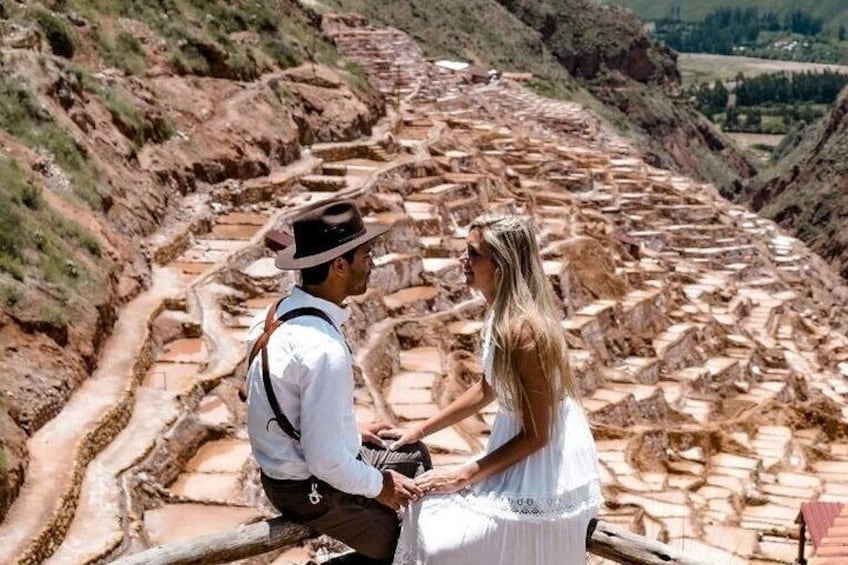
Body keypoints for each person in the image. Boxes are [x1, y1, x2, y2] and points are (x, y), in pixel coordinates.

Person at [383, 214, 603, 564]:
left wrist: (463, 474)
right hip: (518, 446)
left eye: (473, 254)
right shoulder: (499, 316)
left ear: (500, 264)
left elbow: (538, 435)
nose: (462, 261)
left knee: (439, 537)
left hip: (541, 465)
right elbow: (487, 388)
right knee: (423, 511)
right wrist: (419, 430)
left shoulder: (524, 333)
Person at [245, 199, 432, 564]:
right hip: (308, 488)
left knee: (412, 455)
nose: (372, 264)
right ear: (339, 265)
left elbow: (266, 396)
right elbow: (326, 460)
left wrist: (344, 428)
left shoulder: (273, 316)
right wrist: (381, 486)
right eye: (366, 255)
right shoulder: (323, 349)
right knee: (420, 547)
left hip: (281, 474)